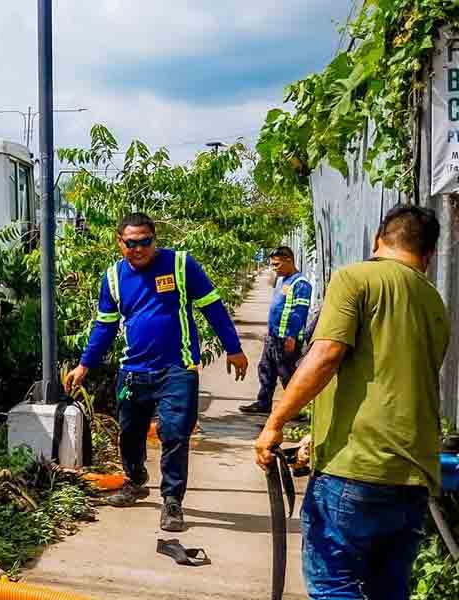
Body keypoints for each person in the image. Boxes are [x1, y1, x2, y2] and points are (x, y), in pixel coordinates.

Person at [254, 205, 449, 600]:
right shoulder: (433, 301)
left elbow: (325, 355)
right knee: (388, 588)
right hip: (412, 474)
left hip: (355, 468)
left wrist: (275, 422)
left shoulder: (355, 278)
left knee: (333, 583)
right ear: (428, 256)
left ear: (378, 239)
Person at [64, 212, 249, 532]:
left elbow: (213, 307)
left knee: (175, 434)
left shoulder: (180, 265)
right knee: (130, 434)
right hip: (133, 371)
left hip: (177, 369)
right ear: (120, 242)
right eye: (131, 243)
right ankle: (136, 481)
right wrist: (85, 364)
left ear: (155, 239)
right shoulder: (112, 277)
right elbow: (104, 328)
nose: (138, 249)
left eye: (145, 242)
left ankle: (172, 501)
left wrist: (233, 347)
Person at [240, 247, 313, 415]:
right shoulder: (282, 280)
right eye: (272, 265)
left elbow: (298, 312)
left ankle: (295, 410)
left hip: (286, 338)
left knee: (287, 375)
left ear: (289, 261)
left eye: (277, 265)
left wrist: (291, 336)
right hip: (273, 337)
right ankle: (263, 403)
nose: (274, 268)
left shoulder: (300, 283)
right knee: (266, 369)